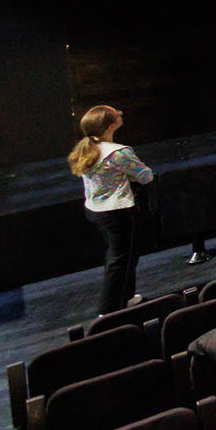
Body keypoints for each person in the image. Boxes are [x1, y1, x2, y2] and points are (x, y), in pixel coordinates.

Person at [67, 104, 154, 318]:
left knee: (126, 253)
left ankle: (126, 296)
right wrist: (130, 176)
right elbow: (146, 176)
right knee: (119, 259)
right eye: (117, 114)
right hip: (117, 212)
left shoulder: (87, 149)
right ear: (110, 126)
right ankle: (108, 312)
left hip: (95, 210)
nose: (120, 114)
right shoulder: (119, 153)